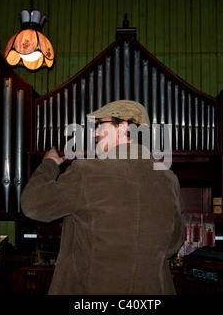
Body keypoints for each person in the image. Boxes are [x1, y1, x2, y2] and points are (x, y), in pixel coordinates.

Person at [20, 100, 184, 295]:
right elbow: (175, 241)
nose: (94, 133)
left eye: (100, 125)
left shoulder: (87, 171)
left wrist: (49, 165)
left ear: (123, 127)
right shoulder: (169, 179)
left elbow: (32, 205)